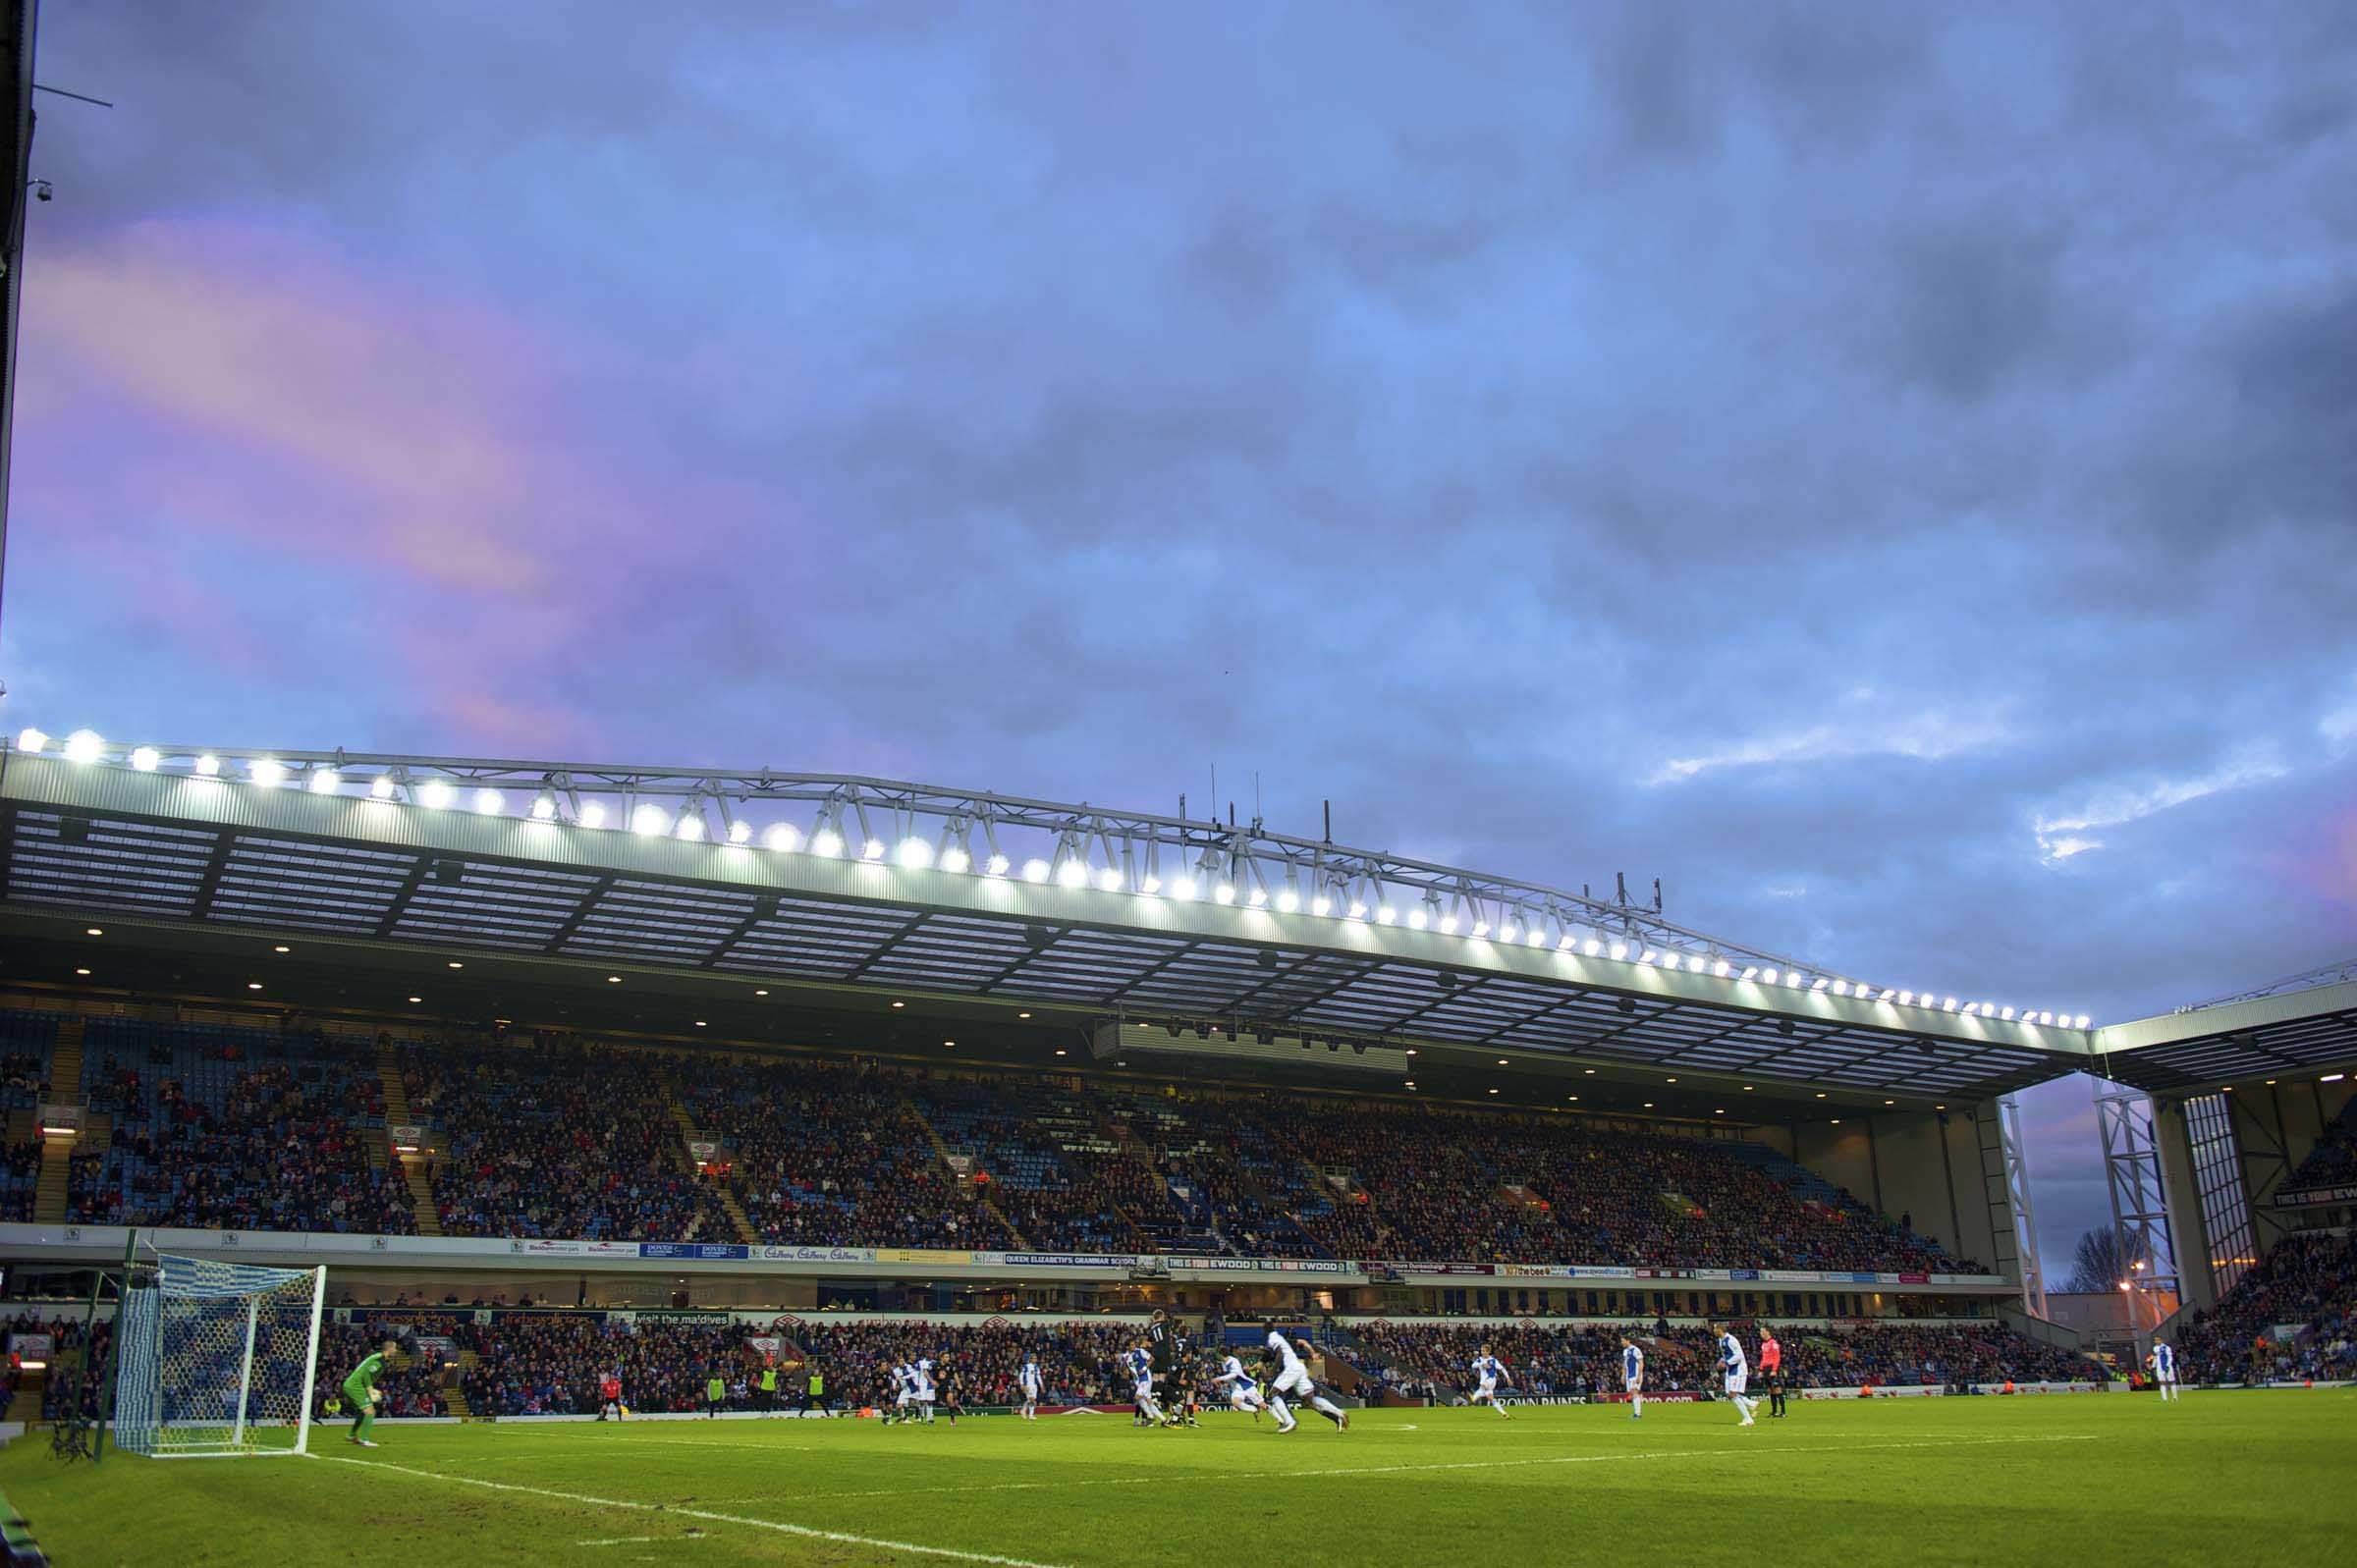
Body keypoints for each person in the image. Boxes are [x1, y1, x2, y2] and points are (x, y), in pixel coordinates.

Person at [1264, 1322, 1346, 1433]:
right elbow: (1302, 1342)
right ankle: (1338, 1415)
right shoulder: (1285, 1342)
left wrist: (1272, 1370)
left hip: (1292, 1371)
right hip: (1298, 1369)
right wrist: (1312, 1353)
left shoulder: (1276, 1342)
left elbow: (1280, 1353)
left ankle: (1289, 1422)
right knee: (1309, 1402)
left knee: (1273, 1394)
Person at [342, 1333, 410, 1448]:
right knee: (370, 1411)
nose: (396, 1350)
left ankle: (352, 1435)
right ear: (389, 1349)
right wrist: (370, 1389)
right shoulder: (379, 1360)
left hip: (351, 1385)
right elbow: (366, 1374)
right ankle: (364, 1440)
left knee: (363, 1411)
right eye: (395, 1348)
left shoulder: (377, 1357)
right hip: (355, 1386)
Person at [1714, 1324, 1759, 1428]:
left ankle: (1748, 1419)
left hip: (1738, 1369)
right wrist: (1721, 1361)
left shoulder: (1731, 1340)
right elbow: (1726, 1354)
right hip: (1731, 1369)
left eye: (1715, 1329)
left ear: (1720, 1329)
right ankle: (1751, 1403)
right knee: (1728, 1394)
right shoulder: (1721, 1340)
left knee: (1733, 1394)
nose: (1713, 1331)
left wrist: (1726, 1363)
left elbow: (1739, 1356)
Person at [1146, 1310, 1178, 1428]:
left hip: (1155, 1352)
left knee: (1155, 1376)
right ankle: (1158, 1395)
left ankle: (1154, 1396)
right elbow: (1170, 1331)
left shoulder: (1152, 1328)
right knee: (1162, 1375)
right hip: (1164, 1352)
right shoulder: (1165, 1324)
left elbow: (1149, 1343)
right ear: (1161, 1316)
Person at [1214, 1350, 1265, 1421]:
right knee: (1235, 1403)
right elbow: (1229, 1375)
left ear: (1221, 1355)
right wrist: (1226, 1382)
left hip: (1244, 1384)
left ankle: (1280, 1419)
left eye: (1218, 1354)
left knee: (1263, 1405)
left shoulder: (1233, 1361)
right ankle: (1254, 1409)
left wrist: (1219, 1379)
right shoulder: (1223, 1363)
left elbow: (1234, 1374)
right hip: (1236, 1387)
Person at [1469, 1343, 1514, 1419]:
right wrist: (1482, 1364)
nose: (1482, 1352)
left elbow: (1502, 1369)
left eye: (1484, 1351)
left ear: (1488, 1352)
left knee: (1483, 1386)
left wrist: (1508, 1378)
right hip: (1485, 1383)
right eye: (1481, 1350)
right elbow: (1473, 1365)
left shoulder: (1493, 1360)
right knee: (1491, 1398)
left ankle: (1474, 1397)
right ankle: (1504, 1414)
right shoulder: (1480, 1359)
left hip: (1491, 1380)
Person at [1125, 1342, 1166, 1427]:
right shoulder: (1127, 1357)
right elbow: (1131, 1370)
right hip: (1139, 1381)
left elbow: (1151, 1358)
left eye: (1134, 1344)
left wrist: (1144, 1369)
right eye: (1131, 1345)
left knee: (1137, 1397)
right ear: (1127, 1347)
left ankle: (1150, 1416)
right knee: (1148, 1400)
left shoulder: (1140, 1351)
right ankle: (1163, 1419)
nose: (1133, 1346)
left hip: (1145, 1378)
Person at [1758, 1327, 1785, 1419]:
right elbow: (1763, 1358)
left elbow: (1777, 1357)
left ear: (1768, 1332)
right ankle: (1774, 1412)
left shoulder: (1773, 1343)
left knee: (1777, 1390)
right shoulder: (1763, 1344)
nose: (1761, 1333)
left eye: (1762, 1331)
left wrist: (1774, 1370)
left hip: (1772, 1368)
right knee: (1771, 1391)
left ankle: (1783, 1412)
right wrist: (1761, 1370)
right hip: (1765, 1369)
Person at [1620, 1336, 1645, 1420]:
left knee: (1635, 1393)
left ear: (1628, 1341)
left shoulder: (1635, 1350)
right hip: (1629, 1376)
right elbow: (1624, 1364)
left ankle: (1637, 1414)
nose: (1622, 1343)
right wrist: (1623, 1375)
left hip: (1635, 1375)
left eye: (1623, 1341)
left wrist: (1639, 1376)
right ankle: (1636, 1413)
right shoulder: (1625, 1351)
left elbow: (1641, 1363)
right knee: (1632, 1394)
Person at [1017, 1356, 1043, 1422]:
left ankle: (1025, 1412)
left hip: (1035, 1385)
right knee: (1032, 1400)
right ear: (1030, 1359)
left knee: (1032, 1400)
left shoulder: (1036, 1367)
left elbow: (1038, 1376)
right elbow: (1021, 1375)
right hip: (1028, 1385)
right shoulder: (1026, 1366)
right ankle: (1029, 1414)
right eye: (1034, 1358)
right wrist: (1022, 1384)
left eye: (1036, 1358)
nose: (1035, 1359)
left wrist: (1041, 1385)